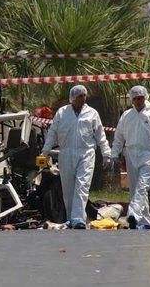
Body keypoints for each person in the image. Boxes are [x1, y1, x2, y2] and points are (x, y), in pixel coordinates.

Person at [41, 85, 112, 229]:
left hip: (86, 153)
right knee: (68, 189)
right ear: (72, 98)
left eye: (84, 96)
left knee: (82, 186)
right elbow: (52, 133)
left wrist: (106, 154)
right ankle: (70, 218)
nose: (82, 99)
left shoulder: (92, 113)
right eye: (79, 96)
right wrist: (45, 151)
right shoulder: (62, 113)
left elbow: (100, 135)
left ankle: (79, 219)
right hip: (66, 153)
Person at [110, 86, 150, 229]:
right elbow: (119, 136)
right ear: (131, 100)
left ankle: (134, 214)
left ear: (146, 97)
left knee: (143, 185)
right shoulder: (126, 115)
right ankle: (145, 222)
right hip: (132, 155)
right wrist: (115, 153)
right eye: (135, 98)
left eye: (141, 98)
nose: (138, 101)